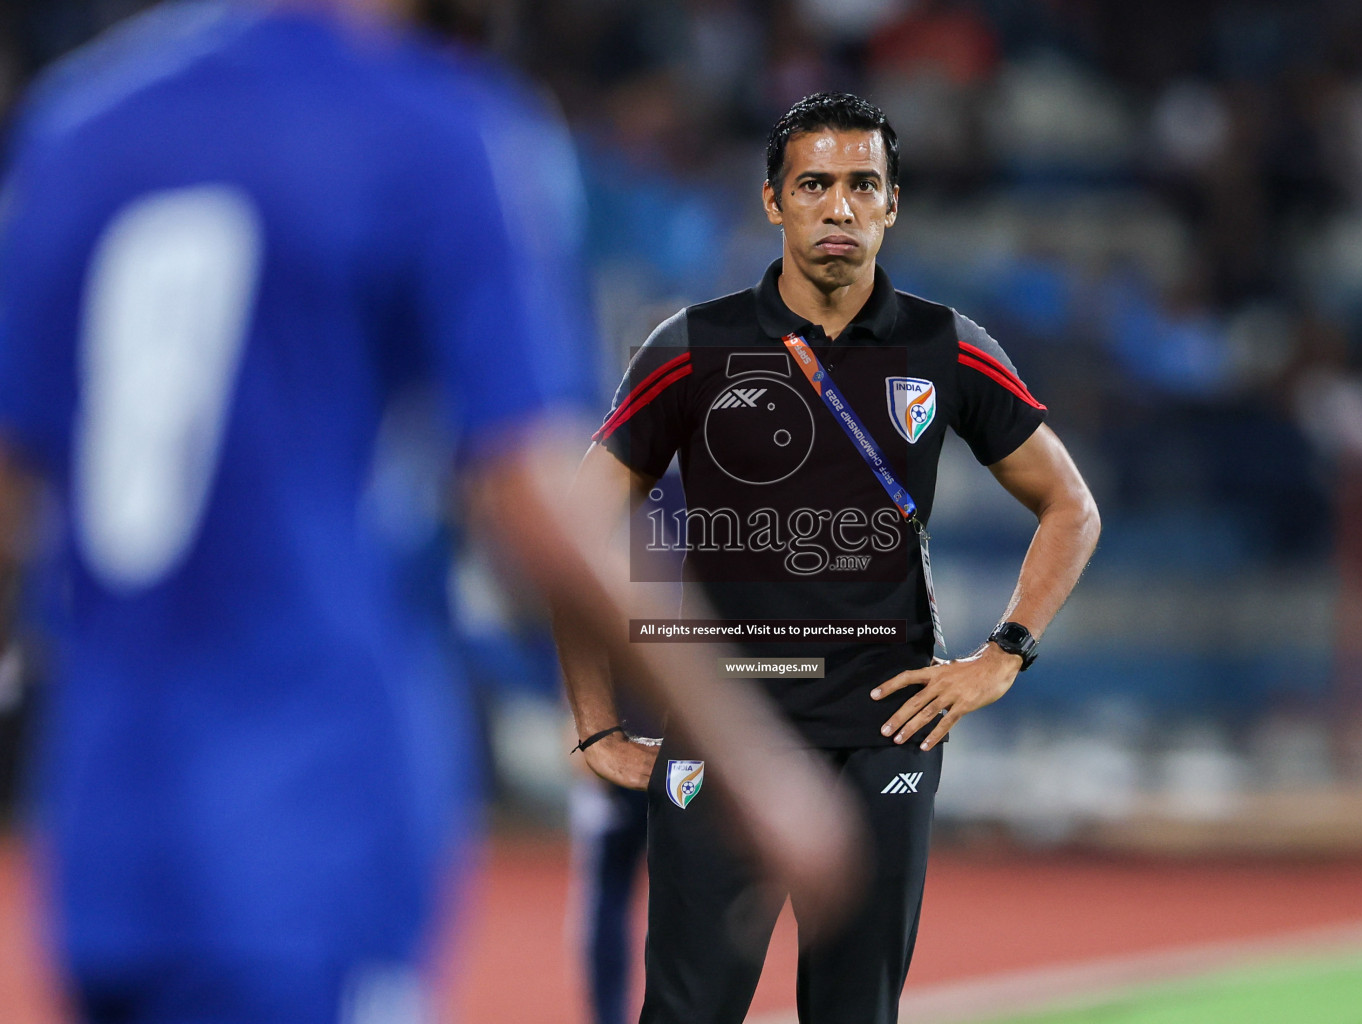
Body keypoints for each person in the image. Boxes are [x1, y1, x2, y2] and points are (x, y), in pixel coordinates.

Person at [0, 4, 861, 1022]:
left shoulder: (80, 125)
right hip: (312, 810)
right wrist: (746, 752)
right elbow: (528, 488)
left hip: (108, 832)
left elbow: (15, 489)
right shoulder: (434, 130)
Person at [558, 91, 1102, 1024]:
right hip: (727, 734)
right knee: (688, 1013)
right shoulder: (690, 348)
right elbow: (577, 527)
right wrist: (597, 730)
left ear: (894, 204)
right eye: (814, 184)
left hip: (884, 738)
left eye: (862, 185)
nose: (839, 207)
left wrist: (1002, 655)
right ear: (774, 202)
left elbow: (1070, 507)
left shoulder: (947, 350)